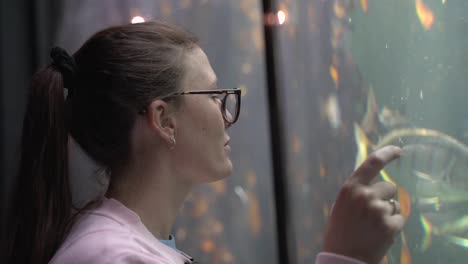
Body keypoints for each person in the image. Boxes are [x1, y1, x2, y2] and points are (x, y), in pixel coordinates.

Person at [5, 21, 404, 264]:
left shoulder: (122, 245)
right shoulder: (112, 256)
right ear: (163, 119)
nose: (225, 113)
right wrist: (343, 257)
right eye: (213, 95)